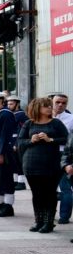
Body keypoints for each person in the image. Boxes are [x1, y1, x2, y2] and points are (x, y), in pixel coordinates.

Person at [18, 97, 67, 233]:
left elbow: (67, 139)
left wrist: (50, 139)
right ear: (37, 108)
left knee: (49, 193)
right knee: (37, 193)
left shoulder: (55, 123)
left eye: (49, 106)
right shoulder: (29, 124)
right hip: (31, 164)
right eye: (46, 106)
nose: (50, 108)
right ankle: (38, 221)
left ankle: (48, 222)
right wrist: (30, 140)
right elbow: (20, 142)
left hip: (51, 164)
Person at [51, 93, 73, 224]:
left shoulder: (71, 119)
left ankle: (64, 216)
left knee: (65, 187)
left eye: (64, 103)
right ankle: (49, 213)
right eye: (58, 102)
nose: (60, 105)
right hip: (46, 156)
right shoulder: (45, 117)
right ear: (52, 102)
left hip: (64, 156)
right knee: (48, 187)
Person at [8, 96, 28, 190]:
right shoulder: (12, 114)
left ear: (17, 104)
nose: (9, 106)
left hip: (17, 141)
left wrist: (16, 143)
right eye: (8, 104)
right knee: (13, 162)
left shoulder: (21, 115)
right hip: (11, 141)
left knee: (19, 162)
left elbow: (21, 130)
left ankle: (21, 182)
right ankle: (15, 180)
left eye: (11, 104)